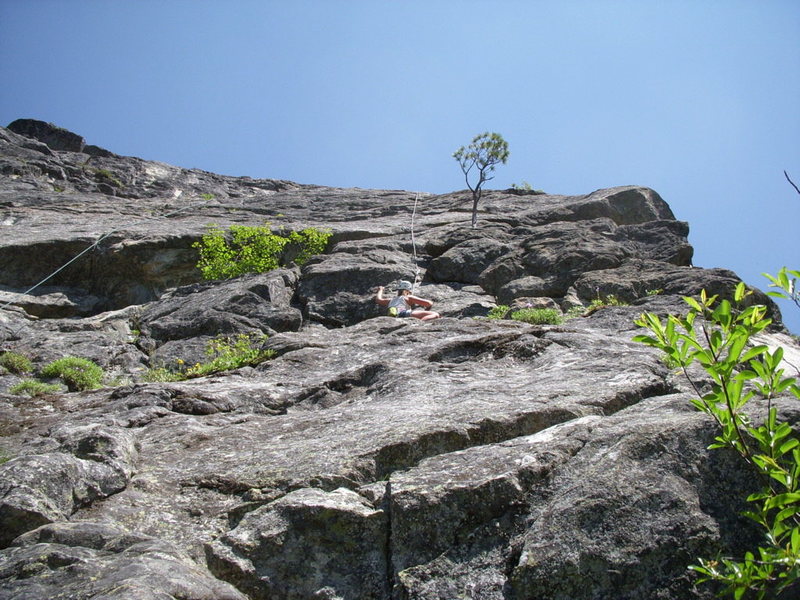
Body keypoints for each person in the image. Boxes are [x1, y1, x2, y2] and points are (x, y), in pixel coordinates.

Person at [375, 280, 440, 321]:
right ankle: (420, 324)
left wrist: (380, 290)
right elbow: (428, 303)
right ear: (408, 290)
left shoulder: (391, 300)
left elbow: (379, 300)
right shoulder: (409, 297)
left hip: (394, 316)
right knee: (435, 314)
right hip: (404, 313)